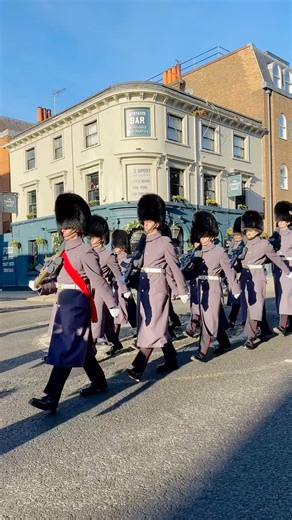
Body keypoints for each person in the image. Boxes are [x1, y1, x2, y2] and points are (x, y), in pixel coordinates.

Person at [29, 193, 118, 412]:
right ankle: (99, 382)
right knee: (84, 349)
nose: (62, 229)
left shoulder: (86, 251)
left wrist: (113, 306)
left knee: (66, 350)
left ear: (76, 227)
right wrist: (41, 286)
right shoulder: (62, 251)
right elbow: (56, 282)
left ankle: (51, 397)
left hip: (77, 306)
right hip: (63, 306)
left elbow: (98, 280)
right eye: (62, 226)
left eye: (66, 226)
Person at [126, 194, 189, 382]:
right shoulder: (143, 241)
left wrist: (181, 290)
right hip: (145, 287)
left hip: (158, 288)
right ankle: (171, 360)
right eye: (144, 219)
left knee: (151, 327)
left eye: (149, 219)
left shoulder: (165, 242)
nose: (145, 223)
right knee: (158, 327)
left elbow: (174, 267)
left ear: (158, 222)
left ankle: (138, 368)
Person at [190, 211, 241, 362]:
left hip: (213, 287)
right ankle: (224, 343)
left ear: (212, 236)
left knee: (208, 319)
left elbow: (229, 271)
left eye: (205, 235)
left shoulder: (219, 252)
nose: (202, 238)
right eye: (201, 235)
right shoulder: (197, 252)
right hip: (200, 287)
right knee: (215, 316)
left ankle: (202, 352)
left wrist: (235, 289)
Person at [240, 209, 292, 349]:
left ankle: (251, 337)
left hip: (257, 277)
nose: (248, 233)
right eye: (247, 230)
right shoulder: (245, 244)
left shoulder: (265, 244)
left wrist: (288, 272)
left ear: (257, 230)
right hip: (246, 277)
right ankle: (266, 330)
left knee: (255, 307)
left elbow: (276, 259)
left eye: (251, 230)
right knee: (251, 307)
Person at [89, 216, 131, 356]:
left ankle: (90, 351)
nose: (91, 239)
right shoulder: (87, 252)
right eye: (91, 236)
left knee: (96, 322)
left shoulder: (108, 256)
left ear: (102, 238)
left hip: (101, 293)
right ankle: (116, 343)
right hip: (88, 291)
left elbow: (119, 275)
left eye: (95, 237)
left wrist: (124, 290)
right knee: (107, 324)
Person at [271, 201, 292, 336]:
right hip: (277, 267)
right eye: (279, 220)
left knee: (286, 295)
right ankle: (288, 323)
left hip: (289, 266)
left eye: (283, 220)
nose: (280, 223)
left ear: (288, 222)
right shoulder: (275, 235)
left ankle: (282, 325)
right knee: (281, 295)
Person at [111, 229, 137, 334]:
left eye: (116, 246)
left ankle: (114, 341)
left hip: (123, 291)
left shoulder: (126, 258)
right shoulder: (116, 257)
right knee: (132, 314)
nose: (115, 248)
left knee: (118, 316)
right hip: (116, 290)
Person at [226, 216, 247, 328]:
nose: (237, 236)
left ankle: (244, 319)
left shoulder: (245, 244)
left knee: (242, 299)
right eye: (236, 234)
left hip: (243, 274)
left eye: (239, 234)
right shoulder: (232, 244)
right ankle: (232, 319)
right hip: (233, 275)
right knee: (236, 299)